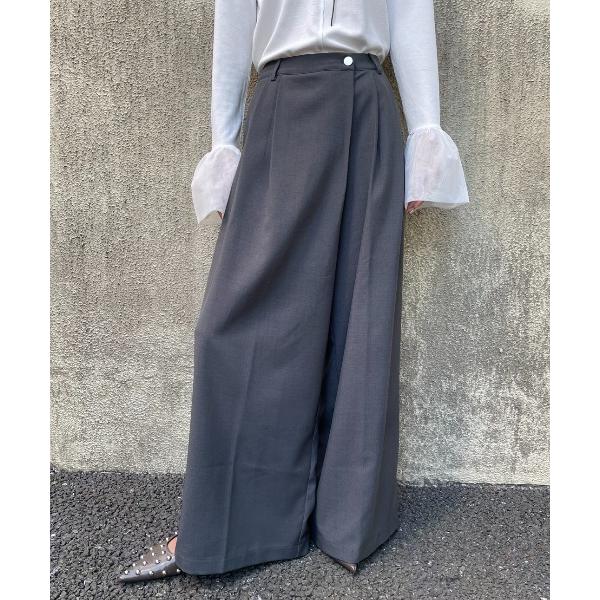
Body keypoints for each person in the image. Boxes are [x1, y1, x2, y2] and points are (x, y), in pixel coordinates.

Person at [119, 0, 468, 583]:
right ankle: (224, 528)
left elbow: (409, 17)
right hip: (283, 105)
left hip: (366, 106)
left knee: (361, 315)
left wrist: (426, 133)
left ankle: (347, 523)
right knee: (228, 325)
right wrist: (225, 143)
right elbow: (233, 29)